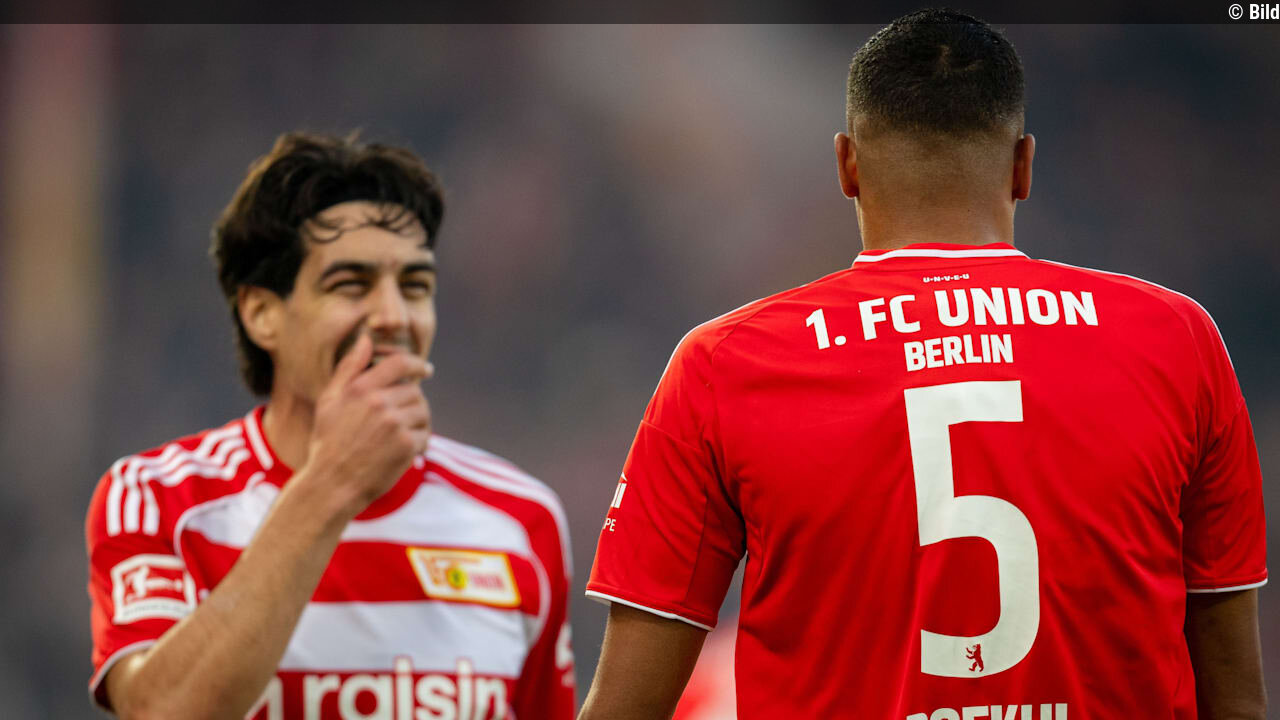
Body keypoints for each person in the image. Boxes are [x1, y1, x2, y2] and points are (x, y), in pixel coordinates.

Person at [579, 11, 1266, 720]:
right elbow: (1238, 699)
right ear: (1024, 166)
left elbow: (626, 706)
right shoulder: (1175, 339)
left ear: (847, 166)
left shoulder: (723, 364)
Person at [85, 132, 575, 720]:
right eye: (351, 285)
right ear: (261, 313)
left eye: (415, 286)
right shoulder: (159, 498)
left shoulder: (521, 519)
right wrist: (332, 482)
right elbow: (160, 711)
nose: (394, 316)